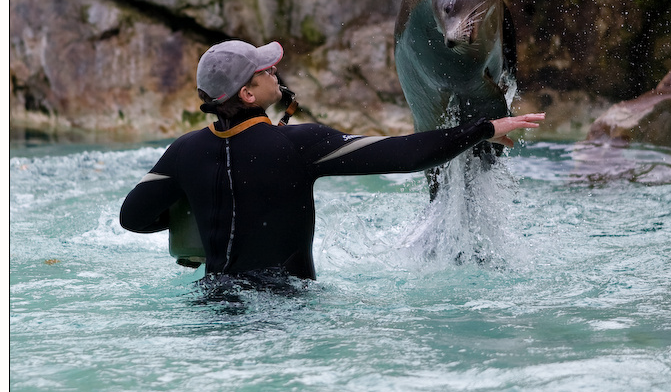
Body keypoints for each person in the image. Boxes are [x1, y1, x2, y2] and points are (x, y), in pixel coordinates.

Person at [119, 39, 545, 286]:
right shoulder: (299, 144)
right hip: (288, 314)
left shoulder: (183, 151)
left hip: (213, 308)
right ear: (248, 94)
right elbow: (405, 154)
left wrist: (189, 219)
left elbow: (133, 218)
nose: (274, 70)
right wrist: (484, 128)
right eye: (265, 70)